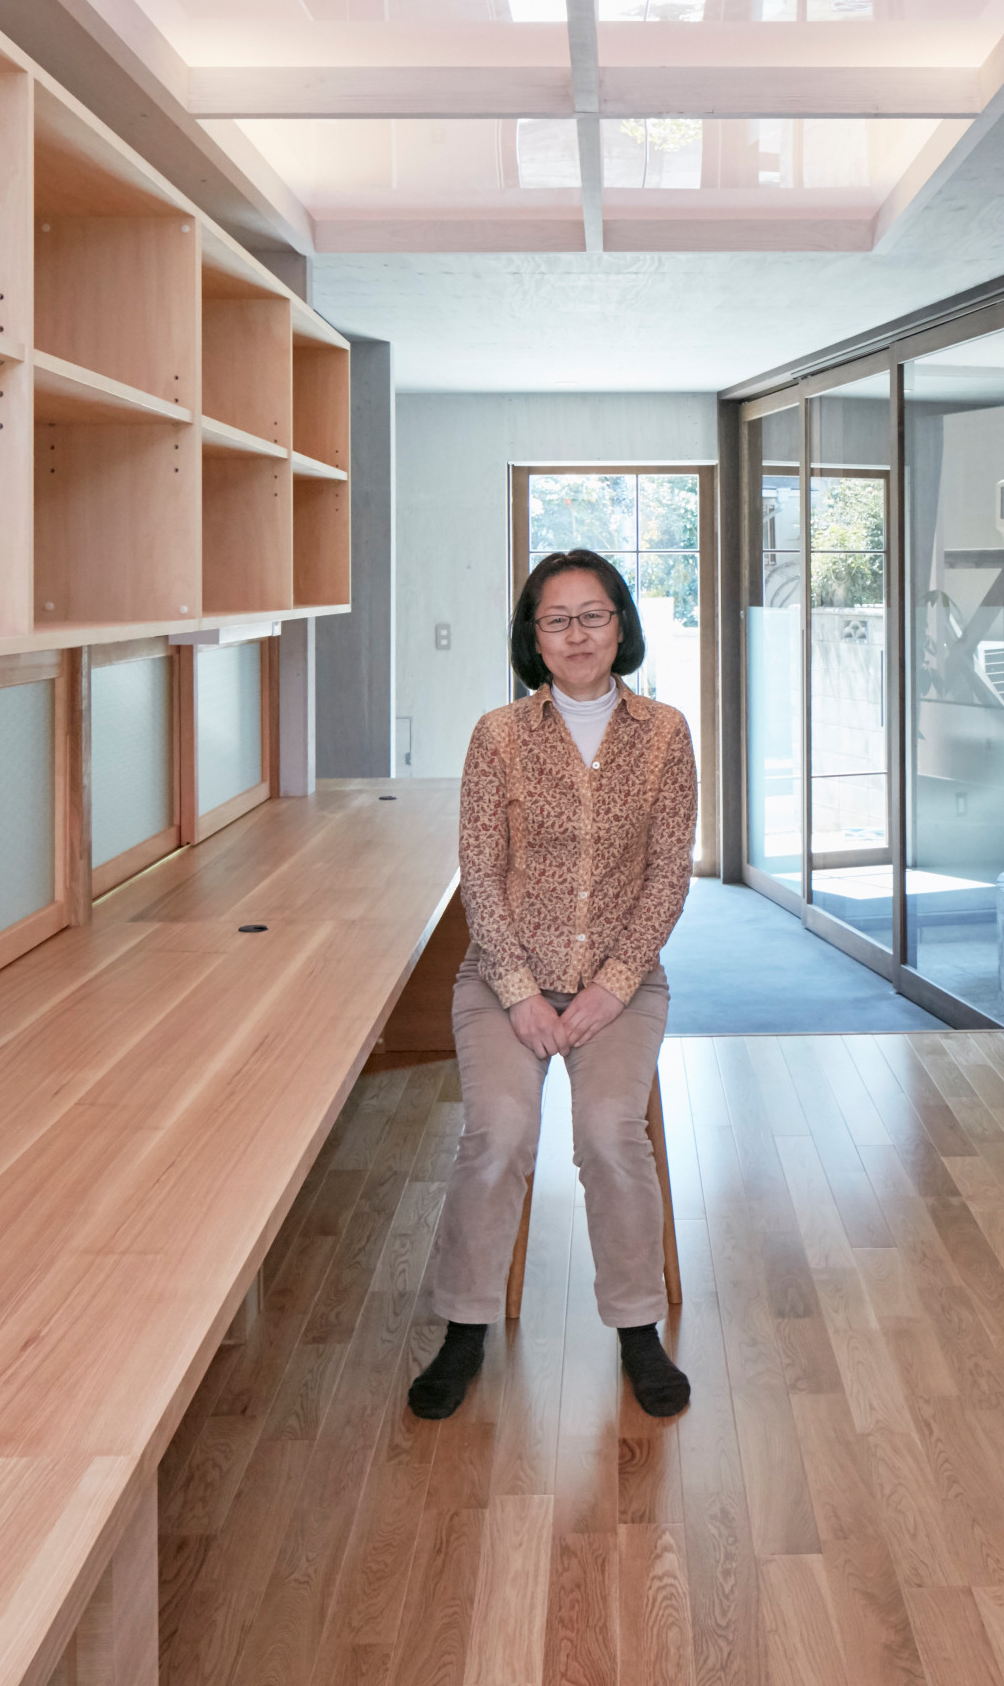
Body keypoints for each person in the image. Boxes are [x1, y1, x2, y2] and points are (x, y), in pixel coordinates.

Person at [407, 547, 697, 1421]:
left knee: (610, 1134)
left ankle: (637, 1329)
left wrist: (613, 985)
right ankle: (464, 1328)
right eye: (556, 620)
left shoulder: (665, 734)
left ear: (621, 625)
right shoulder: (497, 736)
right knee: (497, 1133)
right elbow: (480, 872)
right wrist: (520, 991)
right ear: (533, 637)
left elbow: (668, 875)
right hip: (505, 981)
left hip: (622, 983)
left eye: (593, 615)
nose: (576, 635)